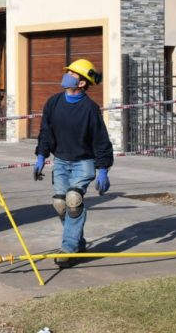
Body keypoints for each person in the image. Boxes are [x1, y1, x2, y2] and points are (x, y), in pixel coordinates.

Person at [33, 58, 113, 268]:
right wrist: (41, 155)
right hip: (60, 161)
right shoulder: (53, 102)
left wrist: (103, 169)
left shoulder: (90, 108)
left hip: (83, 162)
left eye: (72, 73)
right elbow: (46, 132)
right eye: (67, 71)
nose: (66, 75)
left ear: (81, 83)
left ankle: (68, 249)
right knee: (60, 204)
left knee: (73, 200)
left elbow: (100, 139)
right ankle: (78, 243)